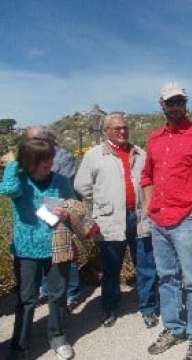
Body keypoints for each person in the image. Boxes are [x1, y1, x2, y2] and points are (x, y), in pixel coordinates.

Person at [142, 82, 192, 360]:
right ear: (161, 104)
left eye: (180, 101)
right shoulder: (154, 138)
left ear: (185, 104)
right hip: (159, 221)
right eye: (170, 102)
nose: (175, 106)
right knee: (166, 278)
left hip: (187, 220)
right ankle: (174, 328)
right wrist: (149, 205)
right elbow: (146, 176)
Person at [74, 112, 159, 328]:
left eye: (125, 127)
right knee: (112, 268)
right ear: (106, 131)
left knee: (146, 266)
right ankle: (110, 308)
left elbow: (153, 180)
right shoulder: (94, 155)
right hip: (111, 220)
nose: (122, 131)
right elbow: (81, 186)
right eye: (116, 128)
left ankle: (148, 308)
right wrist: (103, 201)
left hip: (140, 217)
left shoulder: (140, 153)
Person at [1, 139, 75, 360]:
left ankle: (57, 335)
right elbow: (6, 188)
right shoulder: (19, 181)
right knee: (27, 298)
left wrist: (67, 211)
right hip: (27, 249)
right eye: (43, 159)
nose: (49, 163)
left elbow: (72, 203)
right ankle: (19, 345)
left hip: (56, 245)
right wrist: (13, 164)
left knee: (58, 294)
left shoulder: (60, 180)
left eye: (51, 157)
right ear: (29, 161)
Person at [25, 125, 81, 309]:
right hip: (37, 210)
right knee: (42, 250)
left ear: (46, 140)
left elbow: (58, 185)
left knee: (64, 251)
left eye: (33, 140)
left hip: (56, 208)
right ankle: (46, 289)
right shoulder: (31, 157)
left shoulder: (63, 157)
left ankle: (72, 293)